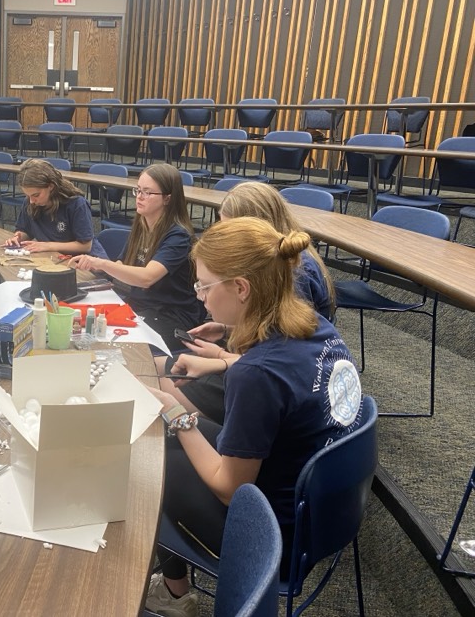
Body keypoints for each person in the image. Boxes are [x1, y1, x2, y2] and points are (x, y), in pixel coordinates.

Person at [145, 217, 365, 617]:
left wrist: (175, 412)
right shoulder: (316, 326)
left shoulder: (257, 375)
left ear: (241, 288)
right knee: (174, 442)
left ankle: (175, 597)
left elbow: (229, 488)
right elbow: (286, 381)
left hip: (275, 539)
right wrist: (226, 362)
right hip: (326, 513)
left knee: (150, 459)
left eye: (204, 286)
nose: (201, 299)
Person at [159, 181, 337, 424]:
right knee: (159, 367)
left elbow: (281, 359)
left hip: (261, 383)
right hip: (254, 367)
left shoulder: (292, 275)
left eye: (230, 228)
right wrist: (226, 330)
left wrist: (221, 358)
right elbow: (279, 334)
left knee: (160, 390)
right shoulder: (285, 262)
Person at [70, 163, 206, 347]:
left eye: (148, 192)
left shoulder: (178, 236)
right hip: (141, 305)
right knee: (88, 325)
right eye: (138, 190)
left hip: (171, 314)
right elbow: (121, 263)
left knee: (117, 344)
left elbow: (147, 278)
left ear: (167, 198)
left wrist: (102, 263)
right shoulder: (142, 224)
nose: (139, 197)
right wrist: (96, 266)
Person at [2, 158, 108, 258]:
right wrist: (18, 238)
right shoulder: (30, 202)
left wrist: (48, 246)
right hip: (57, 258)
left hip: (89, 264)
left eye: (36, 195)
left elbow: (85, 246)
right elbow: (26, 231)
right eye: (28, 196)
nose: (31, 201)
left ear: (51, 186)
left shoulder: (76, 204)